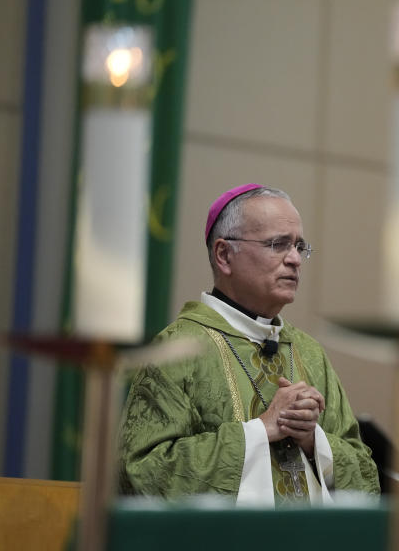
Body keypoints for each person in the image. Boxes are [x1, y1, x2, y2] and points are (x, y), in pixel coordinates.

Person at [119, 184, 380, 505]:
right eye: (278, 244)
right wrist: (260, 431)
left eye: (299, 246)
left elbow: (367, 477)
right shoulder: (179, 349)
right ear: (224, 254)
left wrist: (314, 441)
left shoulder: (309, 353)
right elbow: (143, 474)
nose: (295, 259)